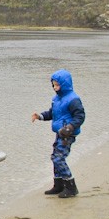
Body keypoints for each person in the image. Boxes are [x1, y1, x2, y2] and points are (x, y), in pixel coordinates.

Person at [31, 69, 85, 198]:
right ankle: (59, 184)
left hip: (67, 134)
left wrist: (70, 127)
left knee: (58, 158)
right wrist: (40, 116)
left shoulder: (73, 99)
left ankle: (71, 186)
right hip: (59, 133)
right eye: (53, 85)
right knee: (55, 156)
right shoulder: (56, 99)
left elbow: (80, 116)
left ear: (64, 84)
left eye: (57, 85)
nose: (55, 87)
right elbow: (52, 113)